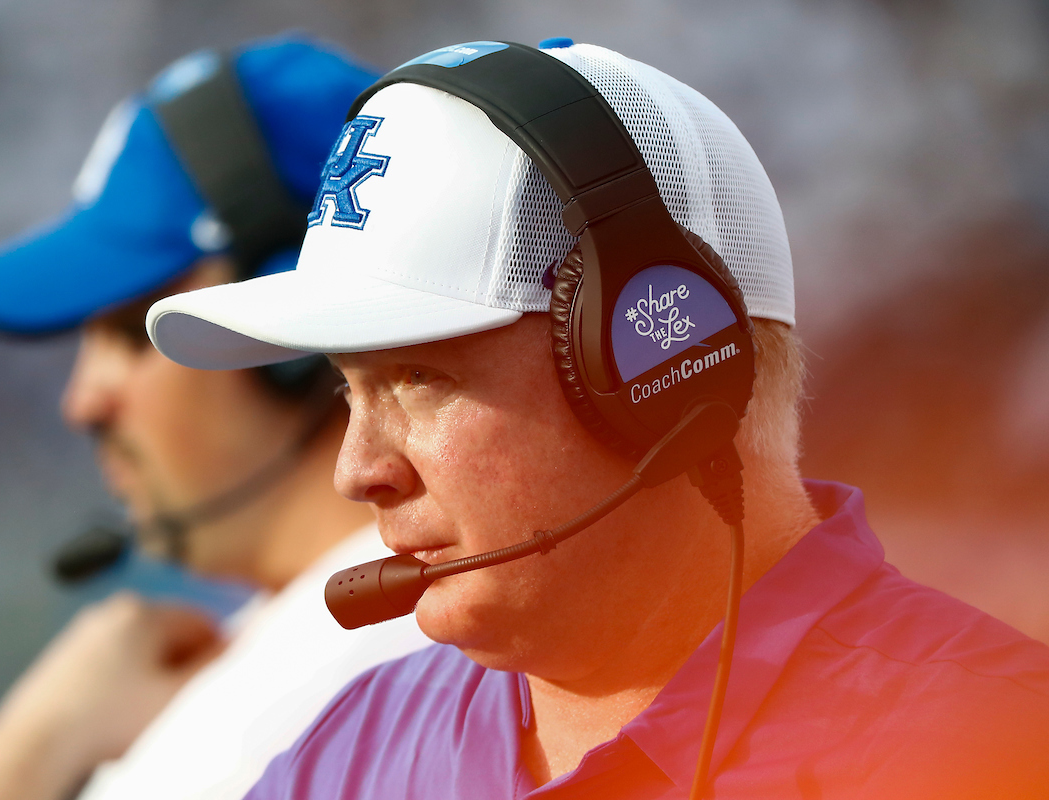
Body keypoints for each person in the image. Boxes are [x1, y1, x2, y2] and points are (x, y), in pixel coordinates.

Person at [148, 39, 1049, 799]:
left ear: (661, 371)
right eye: (351, 389)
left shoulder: (992, 745)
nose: (358, 470)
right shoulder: (347, 758)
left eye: (421, 376)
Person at [0, 36, 427, 800]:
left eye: (135, 331)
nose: (83, 402)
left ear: (292, 342)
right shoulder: (327, 642)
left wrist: (23, 756)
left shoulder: (334, 692)